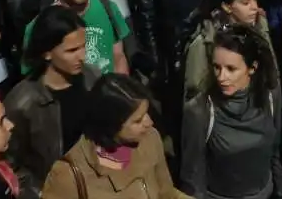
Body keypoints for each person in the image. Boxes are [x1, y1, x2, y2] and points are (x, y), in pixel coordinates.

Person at [41, 73, 191, 199]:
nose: (149, 122)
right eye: (137, 121)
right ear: (111, 125)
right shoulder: (67, 176)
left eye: (147, 113)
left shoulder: (150, 139)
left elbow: (167, 194)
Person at [180, 25, 282, 199]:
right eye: (217, 67)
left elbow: (274, 152)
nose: (221, 77)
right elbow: (192, 175)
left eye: (231, 69)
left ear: (252, 68)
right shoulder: (200, 110)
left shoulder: (270, 97)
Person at [5, 6, 100, 199]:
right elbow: (9, 166)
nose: (82, 56)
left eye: (83, 46)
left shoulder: (93, 78)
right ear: (47, 53)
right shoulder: (22, 102)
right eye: (72, 50)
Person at [183, 0, 274, 100]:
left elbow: (273, 80)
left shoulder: (260, 31)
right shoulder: (206, 42)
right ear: (227, 6)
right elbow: (194, 92)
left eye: (255, 0)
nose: (255, 7)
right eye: (246, 2)